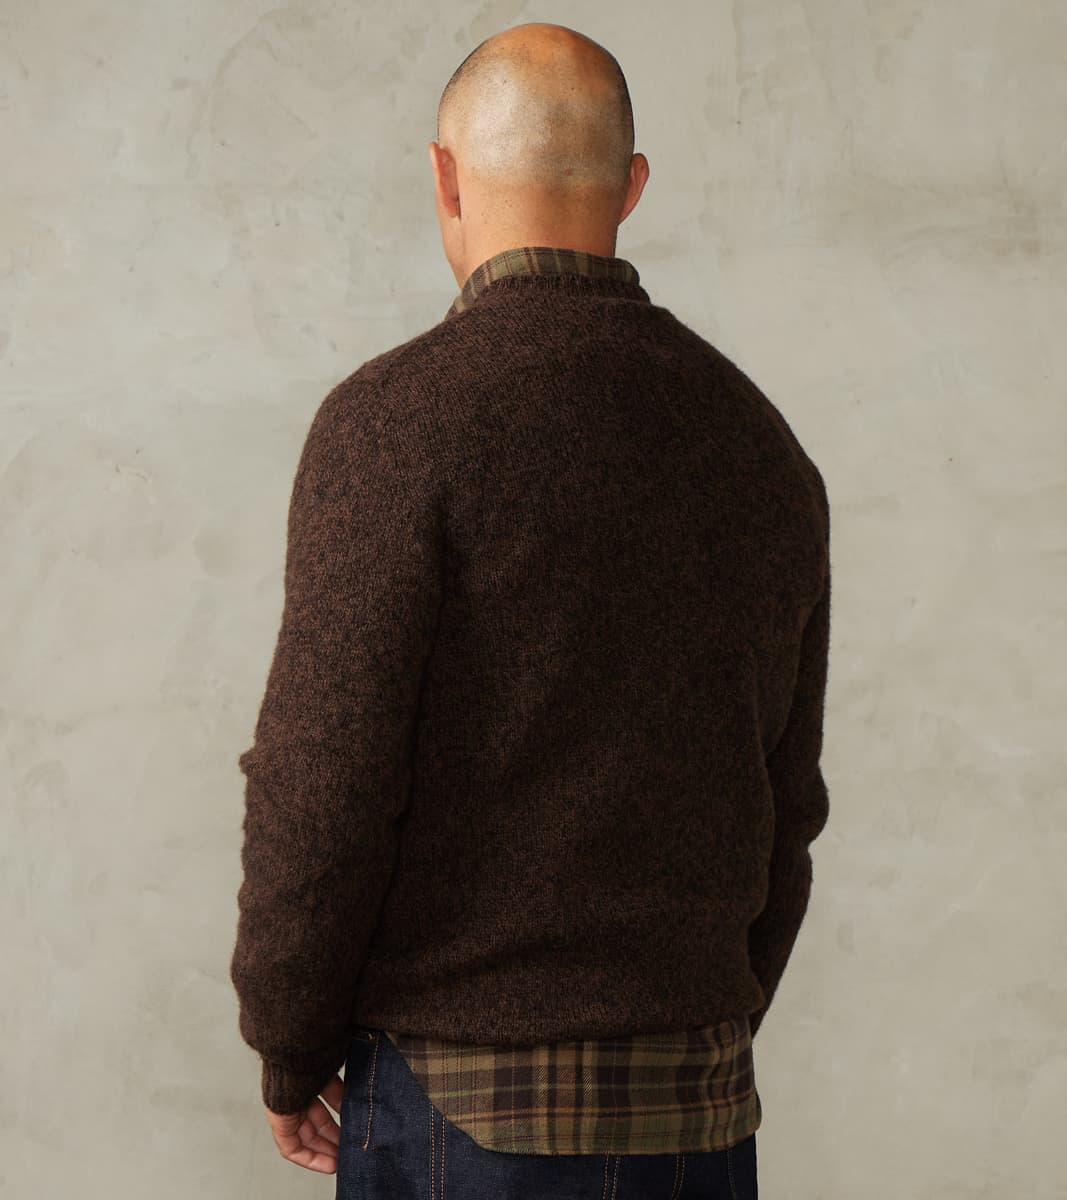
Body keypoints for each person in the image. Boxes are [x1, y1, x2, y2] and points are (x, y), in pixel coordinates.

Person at [229, 20, 831, 1200]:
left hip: (456, 1110)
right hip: (698, 1109)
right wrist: (691, 1021)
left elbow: (323, 778)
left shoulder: (394, 423)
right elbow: (786, 802)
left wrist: (287, 1041)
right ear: (632, 186)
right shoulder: (759, 445)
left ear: (444, 179)